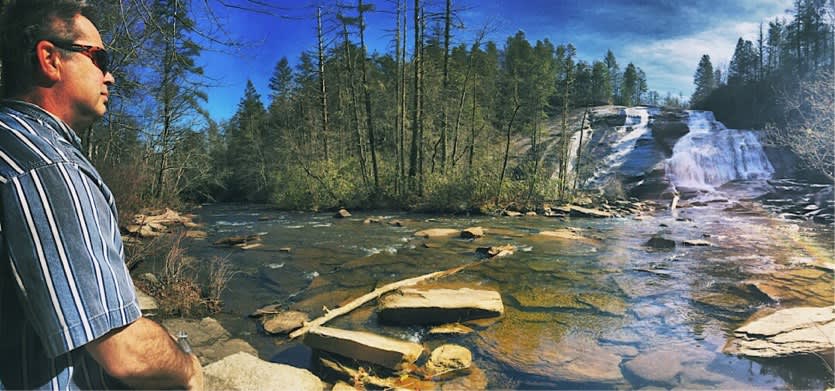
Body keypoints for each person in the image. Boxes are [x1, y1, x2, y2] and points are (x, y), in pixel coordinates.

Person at [0, 0, 203, 389]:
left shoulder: (12, 143)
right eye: (100, 59)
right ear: (50, 59)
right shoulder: (49, 168)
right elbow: (124, 353)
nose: (110, 77)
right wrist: (190, 368)